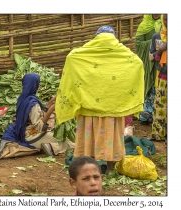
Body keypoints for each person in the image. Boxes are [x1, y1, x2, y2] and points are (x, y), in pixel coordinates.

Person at [55, 26, 144, 174]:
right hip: (113, 106)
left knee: (89, 137)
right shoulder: (121, 53)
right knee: (111, 135)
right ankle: (109, 168)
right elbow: (138, 62)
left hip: (89, 105)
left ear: (96, 37)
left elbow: (71, 57)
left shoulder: (85, 53)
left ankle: (90, 167)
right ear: (113, 37)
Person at [1, 73, 74, 157]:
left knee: (61, 137)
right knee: (65, 139)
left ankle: (50, 146)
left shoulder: (23, 98)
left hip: (24, 133)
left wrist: (51, 101)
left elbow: (37, 113)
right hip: (32, 136)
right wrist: (51, 110)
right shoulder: (33, 103)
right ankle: (50, 147)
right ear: (35, 85)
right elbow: (38, 126)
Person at [135, 14, 162, 124]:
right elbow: (138, 43)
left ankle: (158, 115)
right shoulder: (143, 25)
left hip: (161, 61)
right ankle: (146, 116)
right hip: (148, 60)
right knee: (148, 84)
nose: (155, 13)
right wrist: (151, 43)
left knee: (159, 84)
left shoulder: (163, 25)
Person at [149, 14, 167, 145]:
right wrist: (161, 50)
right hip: (162, 76)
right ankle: (158, 134)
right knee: (160, 105)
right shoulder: (157, 36)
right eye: (166, 18)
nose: (168, 21)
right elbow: (151, 57)